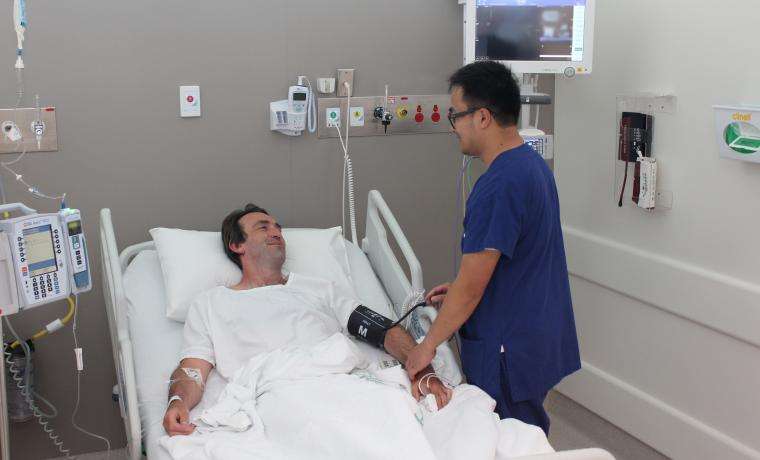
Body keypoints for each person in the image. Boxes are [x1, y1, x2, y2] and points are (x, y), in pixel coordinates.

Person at [163, 203, 451, 436]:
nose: (276, 232)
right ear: (236, 245)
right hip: (279, 394)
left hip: (342, 384)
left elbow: (382, 330)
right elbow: (193, 371)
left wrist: (422, 369)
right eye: (263, 227)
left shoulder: (319, 288)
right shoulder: (211, 303)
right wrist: (178, 402)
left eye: (277, 227)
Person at [404, 61, 581, 434]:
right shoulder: (531, 166)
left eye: (455, 115)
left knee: (510, 440)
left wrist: (427, 347)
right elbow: (519, 257)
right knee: (525, 431)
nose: (453, 126)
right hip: (536, 332)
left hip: (509, 348)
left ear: (482, 117)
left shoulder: (498, 185)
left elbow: (471, 286)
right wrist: (460, 291)